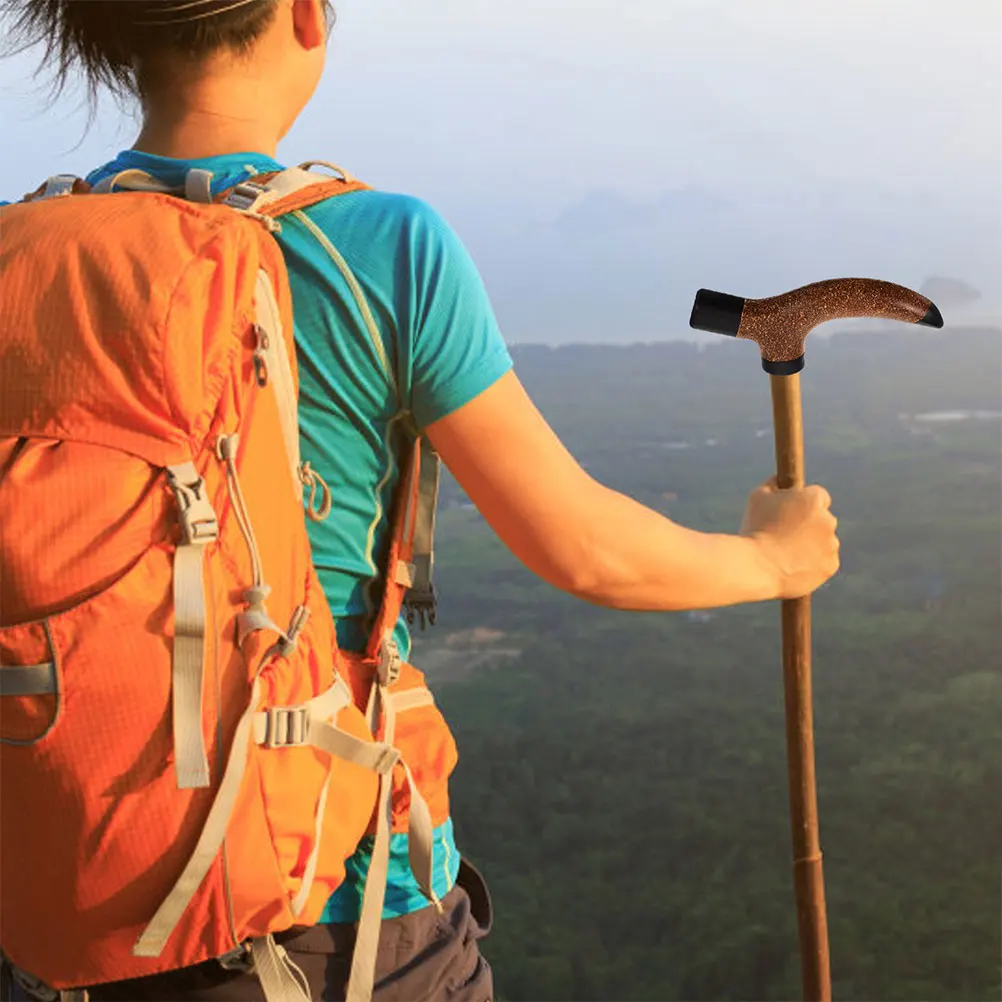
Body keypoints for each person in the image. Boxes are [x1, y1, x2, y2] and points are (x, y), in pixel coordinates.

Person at [1, 1, 840, 999]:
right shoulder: (380, 243)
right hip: (337, 915)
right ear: (305, 17)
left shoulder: (24, 253)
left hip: (67, 906)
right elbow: (584, 549)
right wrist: (774, 559)